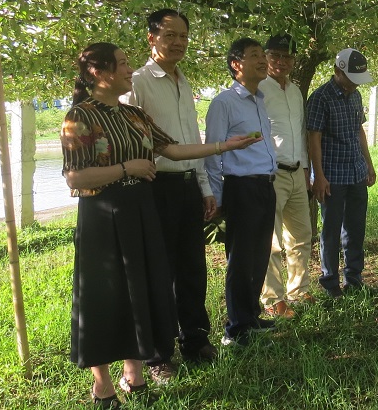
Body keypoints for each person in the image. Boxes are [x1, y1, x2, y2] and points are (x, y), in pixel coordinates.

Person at [61, 43, 257, 407]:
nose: (127, 68)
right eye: (121, 63)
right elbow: (74, 177)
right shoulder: (80, 117)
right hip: (103, 215)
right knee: (105, 295)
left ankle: (133, 373)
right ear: (98, 73)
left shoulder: (134, 115)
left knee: (141, 288)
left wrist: (224, 146)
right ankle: (102, 384)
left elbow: (174, 149)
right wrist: (126, 168)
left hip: (140, 210)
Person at [123, 9, 218, 379]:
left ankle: (195, 339)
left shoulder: (184, 80)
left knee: (192, 267)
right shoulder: (139, 82)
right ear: (152, 39)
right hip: (155, 187)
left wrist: (205, 186)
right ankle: (157, 354)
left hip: (187, 185)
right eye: (169, 36)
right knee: (158, 273)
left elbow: (191, 140)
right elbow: (133, 141)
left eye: (183, 36)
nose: (178, 42)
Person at [204, 37, 279, 347]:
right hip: (241, 187)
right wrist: (218, 196)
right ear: (236, 64)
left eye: (263, 55)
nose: (263, 60)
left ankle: (251, 315)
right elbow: (212, 152)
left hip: (264, 184)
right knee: (240, 259)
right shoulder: (224, 102)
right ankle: (235, 328)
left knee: (260, 254)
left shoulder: (259, 99)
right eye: (254, 55)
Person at [307, 48, 377, 298]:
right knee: (331, 229)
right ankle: (330, 281)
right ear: (337, 72)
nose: (355, 84)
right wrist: (319, 176)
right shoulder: (320, 98)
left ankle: (354, 278)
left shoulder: (355, 96)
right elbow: (313, 139)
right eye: (351, 79)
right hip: (332, 176)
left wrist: (368, 163)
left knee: (356, 228)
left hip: (356, 171)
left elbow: (359, 130)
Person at [259, 34, 315, 318]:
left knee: (301, 234)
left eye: (287, 57)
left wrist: (306, 171)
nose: (281, 62)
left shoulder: (294, 91)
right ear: (266, 57)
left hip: (296, 172)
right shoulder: (259, 89)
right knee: (271, 240)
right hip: (272, 173)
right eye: (276, 56)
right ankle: (273, 299)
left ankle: (298, 289)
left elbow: (300, 132)